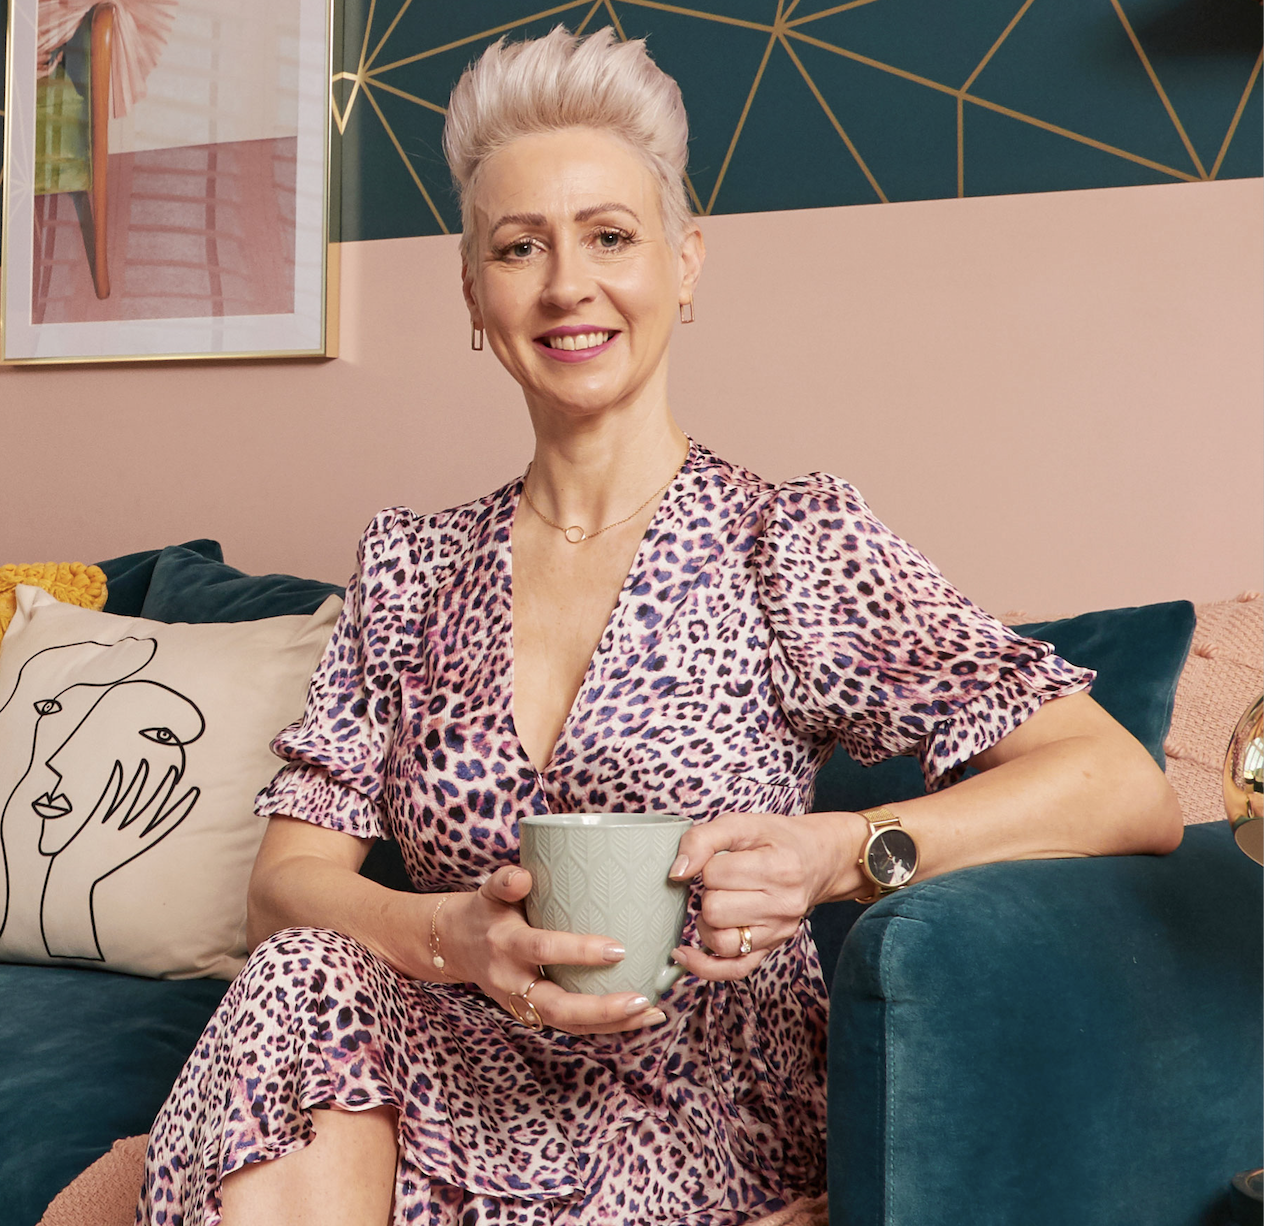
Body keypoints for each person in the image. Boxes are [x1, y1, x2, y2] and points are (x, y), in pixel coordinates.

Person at [137, 27, 1182, 1226]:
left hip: (698, 1097)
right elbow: (284, 886)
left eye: (610, 237)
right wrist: (450, 937)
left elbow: (1122, 787)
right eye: (519, 246)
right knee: (300, 973)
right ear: (472, 290)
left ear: (684, 265)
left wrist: (844, 850)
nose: (567, 284)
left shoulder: (788, 541)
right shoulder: (411, 568)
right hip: (446, 1072)